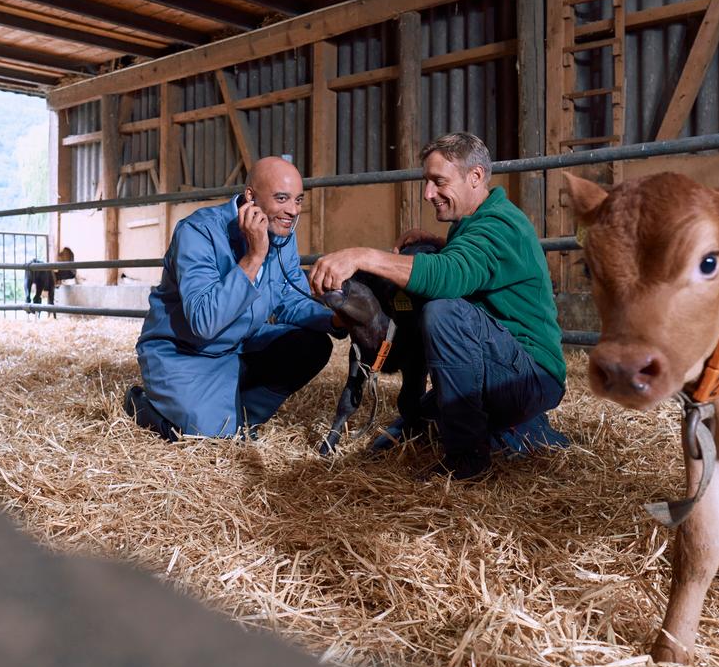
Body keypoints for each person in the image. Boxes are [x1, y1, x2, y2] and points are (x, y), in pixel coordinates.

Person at [308, 133, 567, 480]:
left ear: (475, 177)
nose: (428, 194)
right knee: (412, 428)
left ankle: (468, 463)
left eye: (439, 182)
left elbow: (450, 277)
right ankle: (516, 429)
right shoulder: (474, 224)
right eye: (426, 181)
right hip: (502, 365)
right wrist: (440, 244)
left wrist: (363, 256)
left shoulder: (501, 226)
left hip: (531, 374)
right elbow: (478, 267)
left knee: (443, 311)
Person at [126, 156, 342, 440]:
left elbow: (289, 298)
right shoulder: (199, 232)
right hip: (185, 353)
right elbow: (203, 322)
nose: (292, 210)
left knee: (310, 345)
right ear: (250, 197)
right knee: (206, 439)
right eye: (281, 198)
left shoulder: (282, 235)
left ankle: (241, 417)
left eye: (298, 200)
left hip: (237, 347)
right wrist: (254, 256)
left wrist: (335, 319)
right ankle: (141, 405)